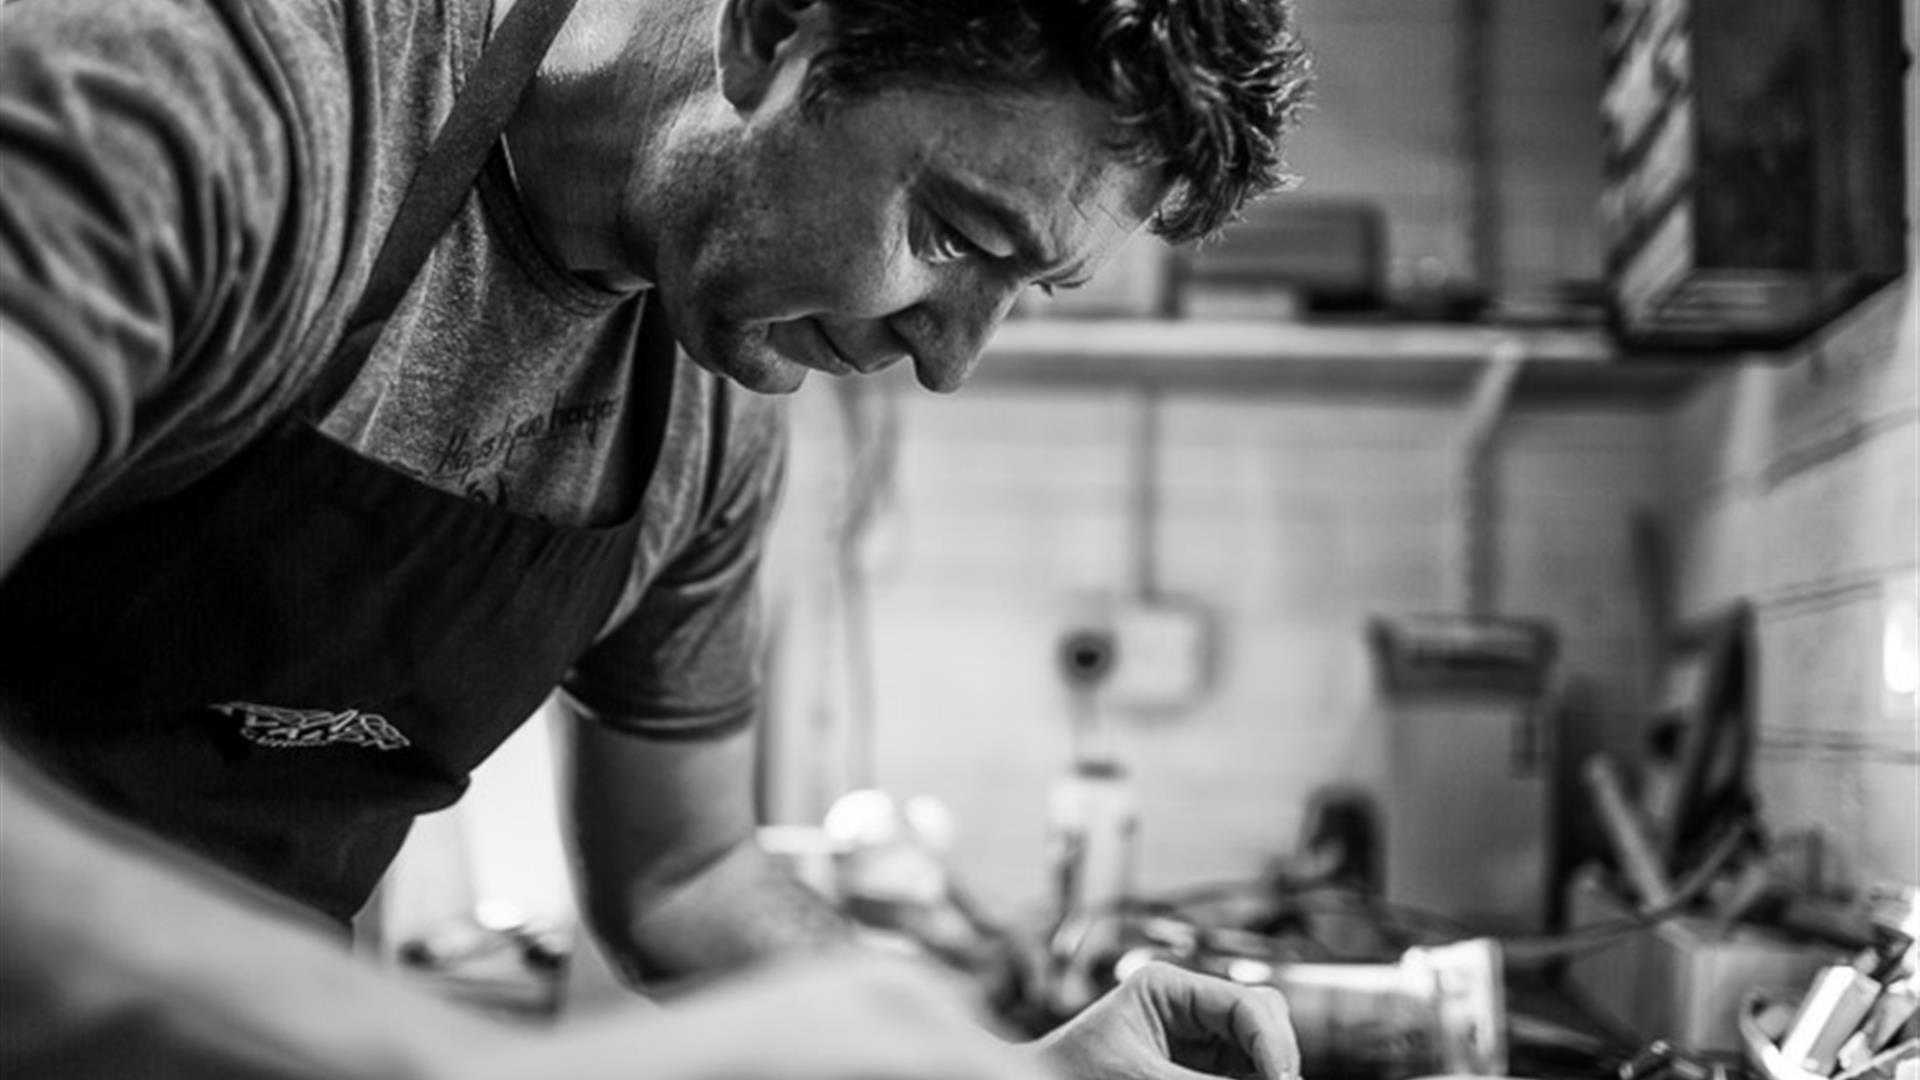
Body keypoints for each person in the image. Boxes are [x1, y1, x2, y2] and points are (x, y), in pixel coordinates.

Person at [0, 0, 1311, 1075]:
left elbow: (683, 876)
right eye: (950, 233)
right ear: (772, 31)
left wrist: (1000, 1072)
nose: (951, 359)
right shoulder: (237, 93)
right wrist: (455, 1066)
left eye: (1025, 287)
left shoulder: (712, 412)